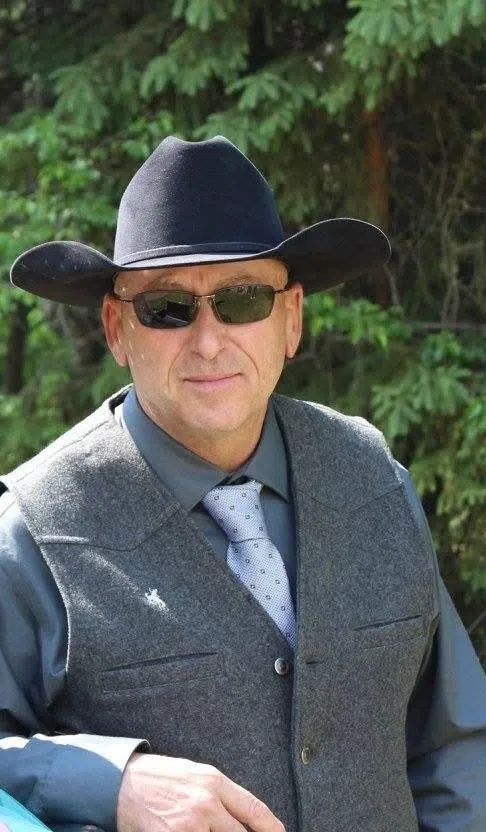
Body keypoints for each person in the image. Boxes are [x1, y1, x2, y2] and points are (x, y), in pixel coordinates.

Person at [1, 135, 485, 832]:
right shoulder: (33, 531)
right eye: (166, 308)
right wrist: (109, 782)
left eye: (244, 299)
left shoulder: (374, 479)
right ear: (116, 327)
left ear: (291, 319)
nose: (208, 341)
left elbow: (454, 747)